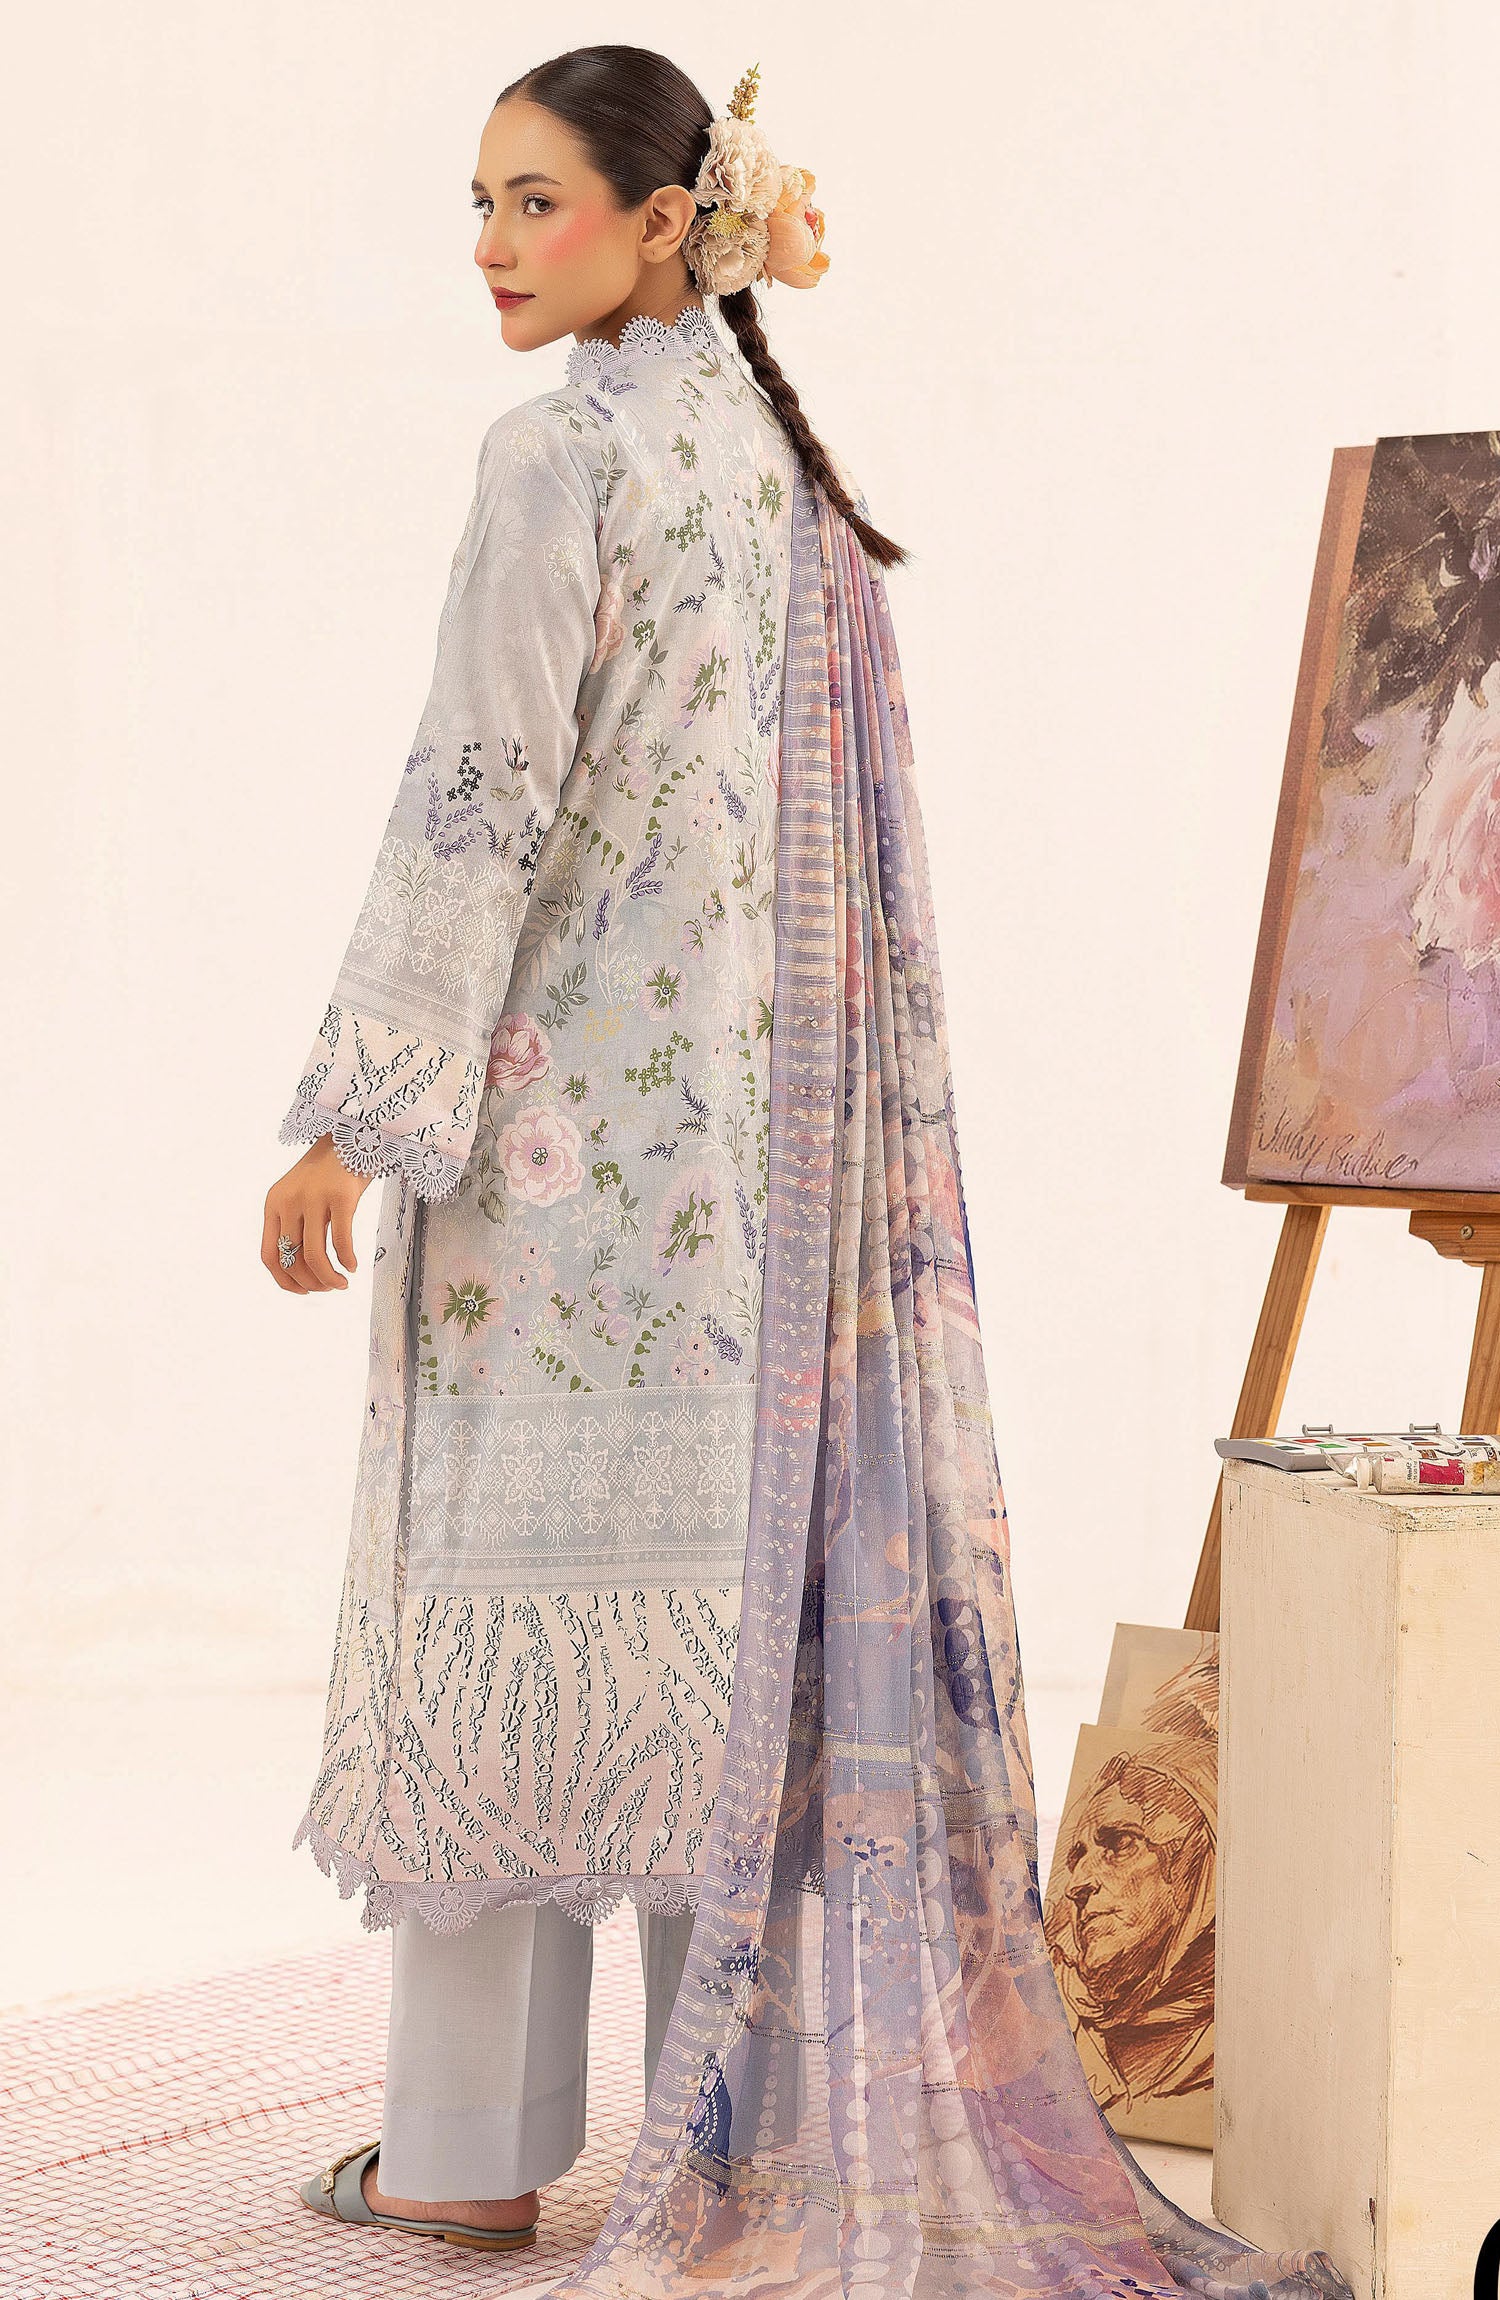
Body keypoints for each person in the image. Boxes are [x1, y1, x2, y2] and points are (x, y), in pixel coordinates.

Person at [267, 44, 1359, 2299]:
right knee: (727, 1645)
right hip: (761, 1201)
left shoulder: (558, 457)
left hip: (546, 1173)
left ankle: (464, 2156)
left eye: (535, 200)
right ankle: (736, 2150)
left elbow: (479, 796)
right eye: (479, 202)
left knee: (502, 1625)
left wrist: (355, 1122)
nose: (491, 245)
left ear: (670, 220)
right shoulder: (785, 469)